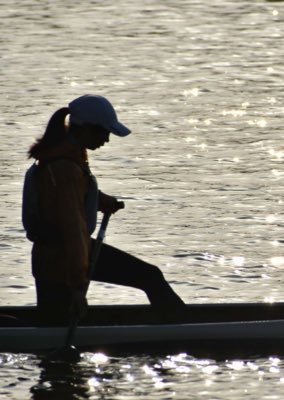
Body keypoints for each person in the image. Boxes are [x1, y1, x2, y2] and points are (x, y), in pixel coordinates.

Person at [23, 94, 185, 325]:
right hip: (66, 259)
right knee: (150, 276)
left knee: (53, 321)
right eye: (104, 133)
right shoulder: (65, 168)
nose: (107, 140)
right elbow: (73, 230)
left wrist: (98, 200)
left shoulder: (63, 156)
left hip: (52, 258)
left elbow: (61, 198)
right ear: (85, 129)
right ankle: (181, 329)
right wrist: (78, 285)